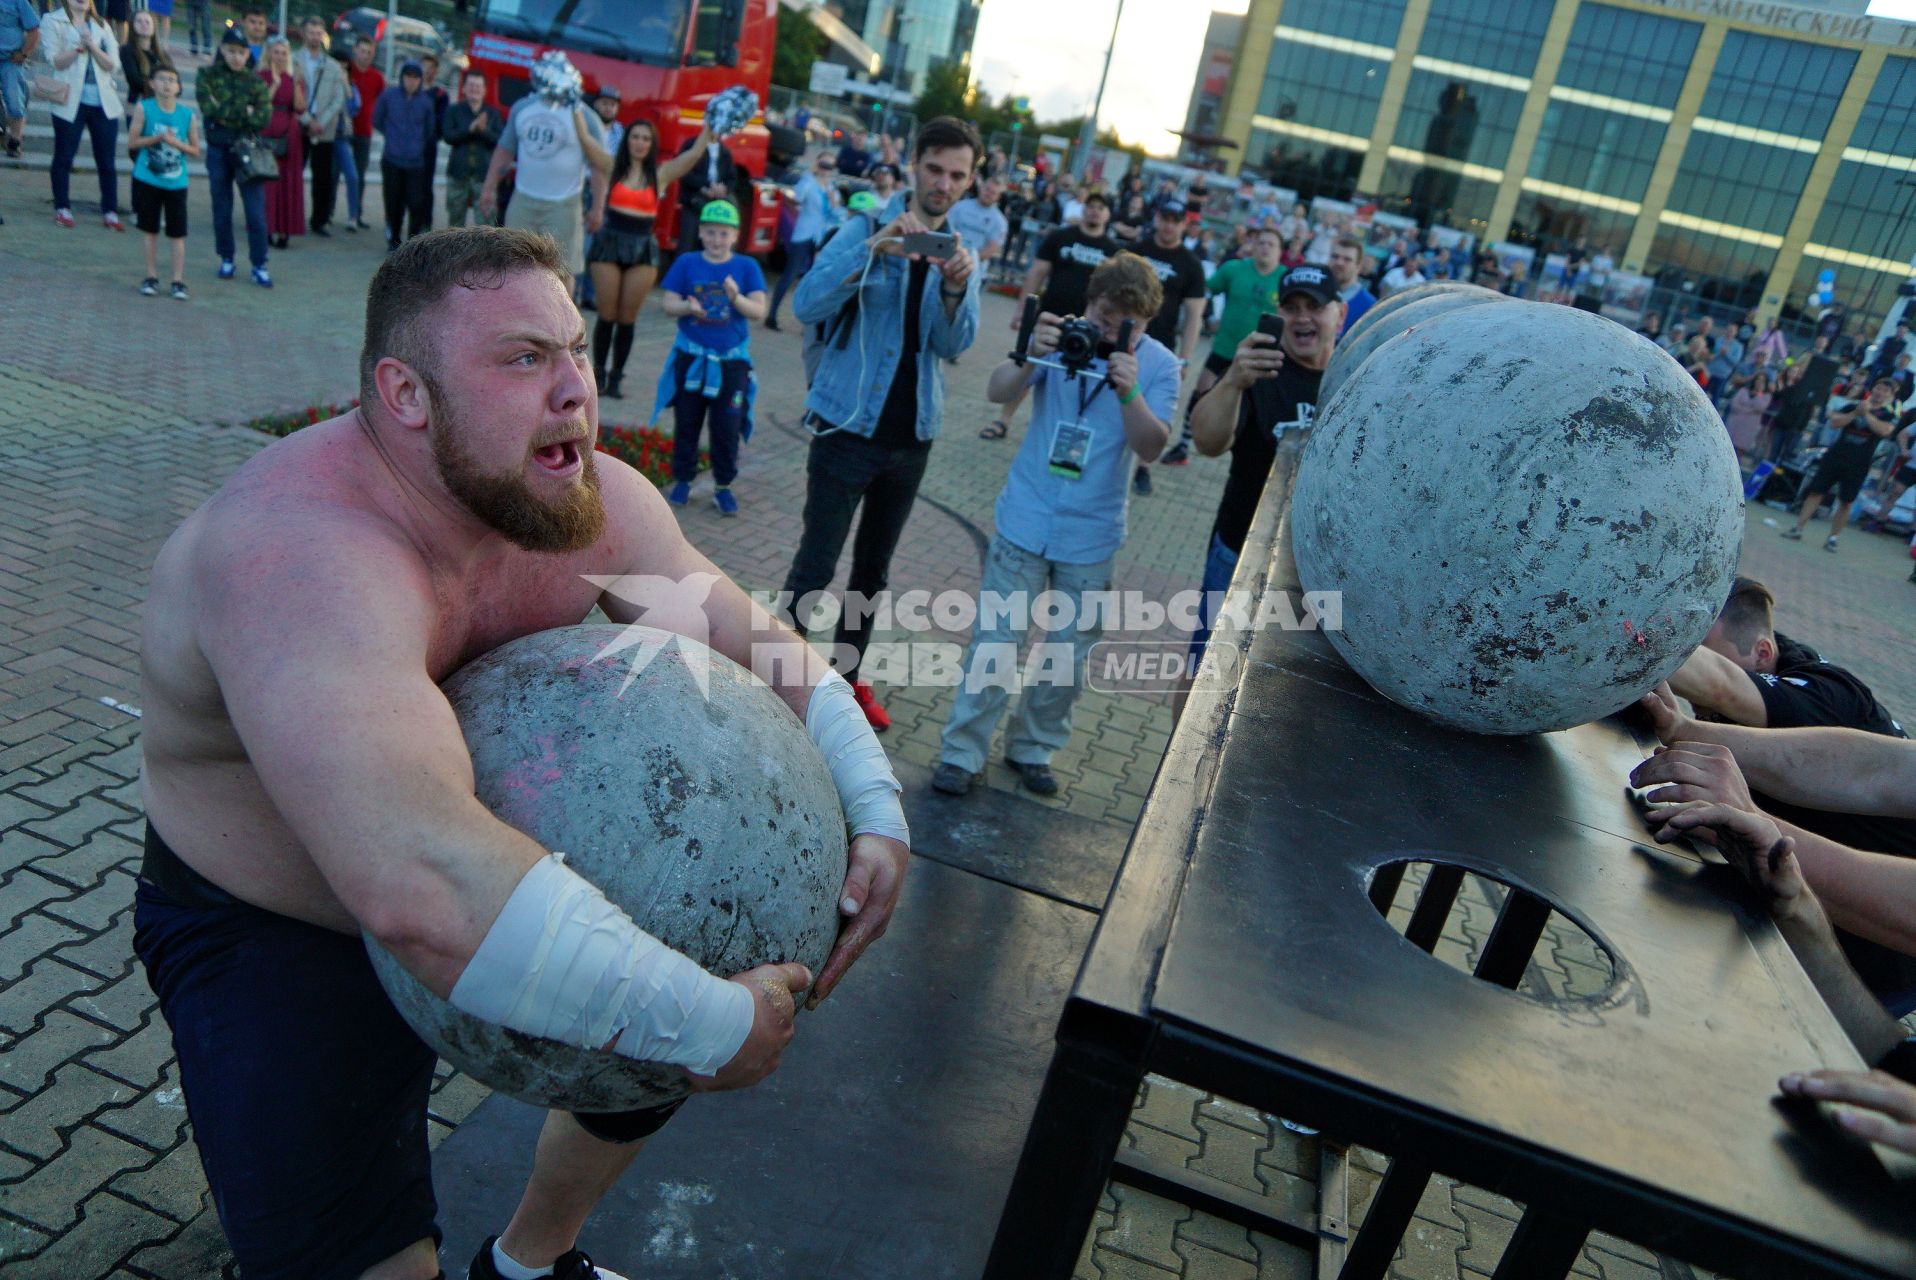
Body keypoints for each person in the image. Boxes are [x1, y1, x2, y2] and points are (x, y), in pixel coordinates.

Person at [133, 225, 910, 1280]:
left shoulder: (579, 508)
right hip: (275, 930)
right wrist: (712, 1023)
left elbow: (754, 643)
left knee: (683, 950)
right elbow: (417, 884)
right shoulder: (297, 559)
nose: (574, 390)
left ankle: (531, 1262)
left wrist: (873, 802)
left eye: (576, 348)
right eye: (521, 359)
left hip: (482, 872)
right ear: (405, 394)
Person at [931, 254, 1177, 797]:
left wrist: (1130, 390)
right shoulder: (1059, 335)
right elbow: (997, 391)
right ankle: (961, 752)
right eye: (1101, 313)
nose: (1105, 329)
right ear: (1088, 301)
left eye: (1120, 323)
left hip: (1091, 534)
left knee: (1068, 654)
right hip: (1026, 516)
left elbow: (1153, 447)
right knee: (996, 641)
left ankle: (1032, 747)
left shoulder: (1159, 364)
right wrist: (1029, 355)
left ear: (1146, 322)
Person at [781, 117, 984, 732]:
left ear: (970, 181)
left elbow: (955, 344)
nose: (943, 183)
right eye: (934, 169)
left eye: (957, 174)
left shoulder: (958, 252)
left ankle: (844, 684)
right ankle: (776, 681)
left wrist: (956, 291)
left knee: (872, 573)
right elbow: (806, 302)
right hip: (847, 426)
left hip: (911, 438)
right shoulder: (867, 226)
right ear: (915, 165)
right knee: (816, 564)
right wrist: (872, 252)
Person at [1655, 577, 1916, 1004]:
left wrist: (1624, 626)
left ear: (1762, 654)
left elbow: (1722, 684)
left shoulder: (1828, 696)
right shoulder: (1775, 656)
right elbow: (1879, 769)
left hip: (1877, 959)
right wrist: (1684, 729)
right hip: (1818, 919)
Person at [1186, 265, 1344, 654]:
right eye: (1291, 308)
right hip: (1238, 553)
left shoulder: (1355, 376)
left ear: (1339, 314)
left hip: (1315, 574)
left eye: (1315, 306)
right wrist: (1233, 381)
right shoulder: (1258, 370)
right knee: (1205, 676)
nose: (1303, 317)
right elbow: (1206, 442)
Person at [587, 117, 715, 396]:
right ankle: (596, 374)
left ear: (652, 144)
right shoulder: (612, 167)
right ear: (627, 140)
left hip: (642, 247)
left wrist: (709, 128)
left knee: (627, 317)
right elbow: (588, 143)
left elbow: (692, 156)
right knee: (606, 314)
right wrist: (572, 106)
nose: (640, 143)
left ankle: (617, 378)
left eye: (646, 138)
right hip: (609, 244)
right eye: (635, 137)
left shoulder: (661, 174)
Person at [982, 189, 1120, 443]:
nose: (1095, 211)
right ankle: (1003, 420)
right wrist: (1023, 311)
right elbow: (1036, 273)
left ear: (1108, 214)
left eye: (1101, 207)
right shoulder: (1061, 237)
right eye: (1091, 205)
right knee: (1026, 368)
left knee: (1077, 382)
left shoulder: (1112, 250)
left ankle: (1064, 436)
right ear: (1083, 208)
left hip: (1088, 329)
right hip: (1050, 319)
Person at [657, 200, 768, 515]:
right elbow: (668, 303)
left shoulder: (747, 267)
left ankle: (723, 486)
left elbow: (758, 311)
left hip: (731, 363)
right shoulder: (687, 262)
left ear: (735, 235)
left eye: (723, 233)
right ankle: (683, 479)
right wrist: (688, 308)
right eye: (710, 232)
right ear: (700, 233)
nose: (716, 240)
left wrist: (737, 298)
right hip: (691, 358)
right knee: (687, 422)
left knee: (726, 426)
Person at [482, 84, 610, 286]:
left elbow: (598, 166)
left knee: (562, 271)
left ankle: (563, 318)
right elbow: (505, 150)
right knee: (511, 265)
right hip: (523, 200)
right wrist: (488, 189)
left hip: (564, 205)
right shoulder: (523, 108)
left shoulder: (587, 117)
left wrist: (598, 207)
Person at [1128, 199, 1205, 473]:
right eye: (1165, 218)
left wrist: (1185, 358)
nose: (1169, 225)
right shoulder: (1136, 251)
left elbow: (1194, 315)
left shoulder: (1190, 264)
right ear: (1157, 218)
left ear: (1185, 224)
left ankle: (1142, 468)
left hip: (1163, 346)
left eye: (1176, 220)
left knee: (1153, 408)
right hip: (1125, 339)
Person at [1782, 375, 1900, 551]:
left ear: (1890, 395)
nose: (1880, 392)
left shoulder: (1888, 415)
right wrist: (1855, 413)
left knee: (1846, 501)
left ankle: (1833, 538)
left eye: (1885, 390)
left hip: (1859, 463)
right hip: (1836, 455)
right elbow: (1835, 423)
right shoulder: (1853, 405)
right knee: (1816, 492)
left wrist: (1866, 414)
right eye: (1878, 388)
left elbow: (1884, 431)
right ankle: (1797, 528)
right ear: (1872, 389)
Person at [198, 27, 272, 284]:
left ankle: (260, 264)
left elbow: (264, 116)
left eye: (241, 52)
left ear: (247, 54)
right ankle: (226, 258)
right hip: (218, 150)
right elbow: (208, 108)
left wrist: (225, 110)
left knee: (255, 213)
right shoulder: (206, 75)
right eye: (231, 51)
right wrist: (245, 111)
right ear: (222, 50)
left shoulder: (256, 82)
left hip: (246, 152)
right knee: (222, 210)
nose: (236, 57)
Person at [43, 0, 123, 232]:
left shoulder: (102, 26)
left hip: (103, 103)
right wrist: (78, 48)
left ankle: (110, 211)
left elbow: (113, 65)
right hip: (70, 100)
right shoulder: (53, 20)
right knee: (64, 156)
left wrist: (92, 46)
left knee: (106, 161)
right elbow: (54, 59)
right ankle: (62, 207)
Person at [128, 62, 197, 300]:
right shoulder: (144, 108)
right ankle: (151, 276)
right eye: (162, 79)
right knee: (150, 229)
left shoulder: (187, 114)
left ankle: (178, 280)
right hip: (148, 178)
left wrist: (176, 143)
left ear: (179, 87)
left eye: (172, 80)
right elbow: (132, 142)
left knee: (178, 233)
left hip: (176, 182)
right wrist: (156, 138)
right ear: (152, 83)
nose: (167, 84)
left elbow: (195, 149)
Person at [764, 147, 837, 332]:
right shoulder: (808, 181)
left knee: (813, 279)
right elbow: (797, 197)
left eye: (830, 166)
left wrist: (832, 199)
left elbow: (836, 214)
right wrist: (810, 174)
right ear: (817, 164)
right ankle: (772, 315)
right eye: (823, 164)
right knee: (790, 275)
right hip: (804, 234)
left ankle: (807, 324)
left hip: (820, 236)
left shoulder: (831, 189)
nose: (826, 169)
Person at [373, 60, 437, 249]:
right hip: (392, 159)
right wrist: (393, 136)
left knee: (416, 203)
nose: (411, 81)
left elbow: (429, 130)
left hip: (415, 162)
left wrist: (415, 144)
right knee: (393, 201)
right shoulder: (389, 96)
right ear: (402, 77)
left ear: (420, 80)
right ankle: (393, 238)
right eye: (408, 76)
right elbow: (377, 119)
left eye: (416, 77)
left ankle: (413, 242)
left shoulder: (426, 102)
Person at [295, 17, 346, 239]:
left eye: (318, 33)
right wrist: (307, 120)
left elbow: (338, 98)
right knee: (293, 175)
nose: (315, 36)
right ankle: (291, 218)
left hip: (324, 131)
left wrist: (321, 122)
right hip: (298, 127)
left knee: (323, 178)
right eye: (311, 32)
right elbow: (290, 93)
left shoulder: (333, 66)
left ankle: (320, 221)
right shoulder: (292, 60)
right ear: (303, 34)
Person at [258, 36, 306, 250]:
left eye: (284, 53)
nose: (279, 56)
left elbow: (300, 107)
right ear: (269, 53)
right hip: (265, 130)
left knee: (287, 182)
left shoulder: (293, 78)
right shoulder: (261, 76)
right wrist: (275, 84)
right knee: (267, 182)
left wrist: (295, 83)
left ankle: (285, 229)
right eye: (276, 52)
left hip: (289, 135)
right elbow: (260, 103)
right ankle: (266, 228)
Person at [442, 68, 503, 229]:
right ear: (463, 88)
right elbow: (448, 137)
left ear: (484, 90)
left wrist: (483, 130)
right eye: (470, 85)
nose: (474, 89)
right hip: (458, 175)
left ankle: (484, 255)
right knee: (455, 224)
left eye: (478, 86)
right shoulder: (454, 110)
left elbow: (499, 141)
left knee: (486, 225)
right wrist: (470, 129)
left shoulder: (493, 114)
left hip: (483, 177)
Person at [671, 126, 739, 254]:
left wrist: (724, 188)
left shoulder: (725, 151)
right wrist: (705, 187)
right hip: (693, 199)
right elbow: (683, 172)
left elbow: (732, 178)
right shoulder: (691, 145)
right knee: (686, 246)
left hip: (717, 200)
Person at [344, 36, 382, 231]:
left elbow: (381, 102)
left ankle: (355, 214)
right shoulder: (345, 71)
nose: (365, 55)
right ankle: (326, 214)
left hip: (364, 133)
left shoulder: (377, 77)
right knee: (335, 174)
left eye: (369, 52)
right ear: (355, 49)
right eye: (362, 50)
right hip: (342, 131)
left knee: (359, 175)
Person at [945, 174, 1010, 270]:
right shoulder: (959, 207)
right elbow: (945, 230)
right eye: (987, 189)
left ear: (998, 197)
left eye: (993, 192)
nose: (988, 194)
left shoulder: (1000, 221)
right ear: (981, 188)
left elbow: (992, 249)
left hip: (975, 270)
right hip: (947, 261)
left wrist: (966, 261)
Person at [0, 0, 37, 162]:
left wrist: (24, 53)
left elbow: (34, 30)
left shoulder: (18, 1)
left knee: (14, 101)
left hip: (10, 59)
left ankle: (15, 140)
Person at [117, 8, 169, 107]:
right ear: (132, 26)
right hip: (138, 104)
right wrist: (163, 86)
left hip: (162, 105)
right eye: (139, 21)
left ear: (154, 27)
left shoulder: (162, 54)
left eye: (147, 22)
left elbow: (175, 78)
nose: (144, 25)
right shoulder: (127, 50)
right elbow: (135, 81)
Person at [1327, 236, 1375, 336]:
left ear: (1358, 266)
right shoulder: (1314, 293)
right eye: (1335, 256)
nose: (1339, 262)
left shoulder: (1369, 306)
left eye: (1347, 259)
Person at [1723, 370, 1771, 471]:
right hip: (1735, 422)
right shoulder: (1743, 390)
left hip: (1749, 427)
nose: (1759, 382)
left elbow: (1760, 407)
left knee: (1738, 453)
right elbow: (1734, 405)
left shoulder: (1766, 396)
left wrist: (1759, 394)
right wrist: (1749, 410)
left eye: (1762, 381)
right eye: (1758, 380)